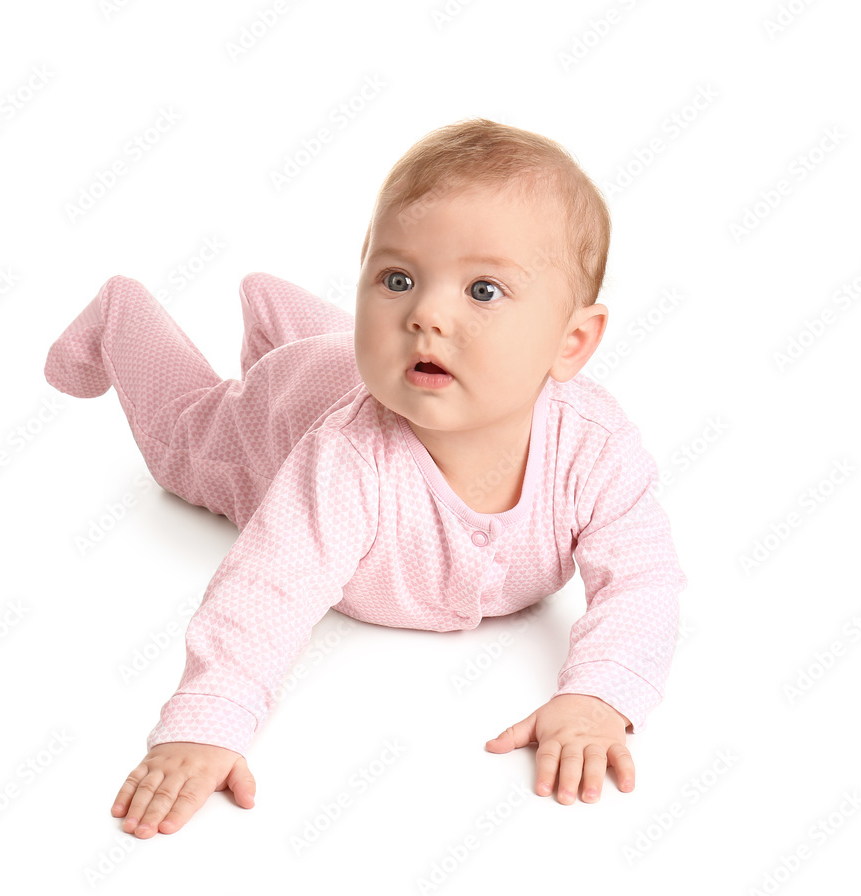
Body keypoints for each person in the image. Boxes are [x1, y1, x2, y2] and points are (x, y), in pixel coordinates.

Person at [44, 117, 688, 839]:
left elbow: (644, 579)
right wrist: (209, 720)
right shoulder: (346, 463)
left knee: (336, 352)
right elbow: (268, 588)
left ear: (572, 342)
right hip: (274, 418)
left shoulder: (593, 447)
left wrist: (600, 693)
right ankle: (121, 316)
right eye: (398, 279)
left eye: (483, 290)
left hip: (335, 364)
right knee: (182, 439)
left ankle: (269, 306)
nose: (425, 313)